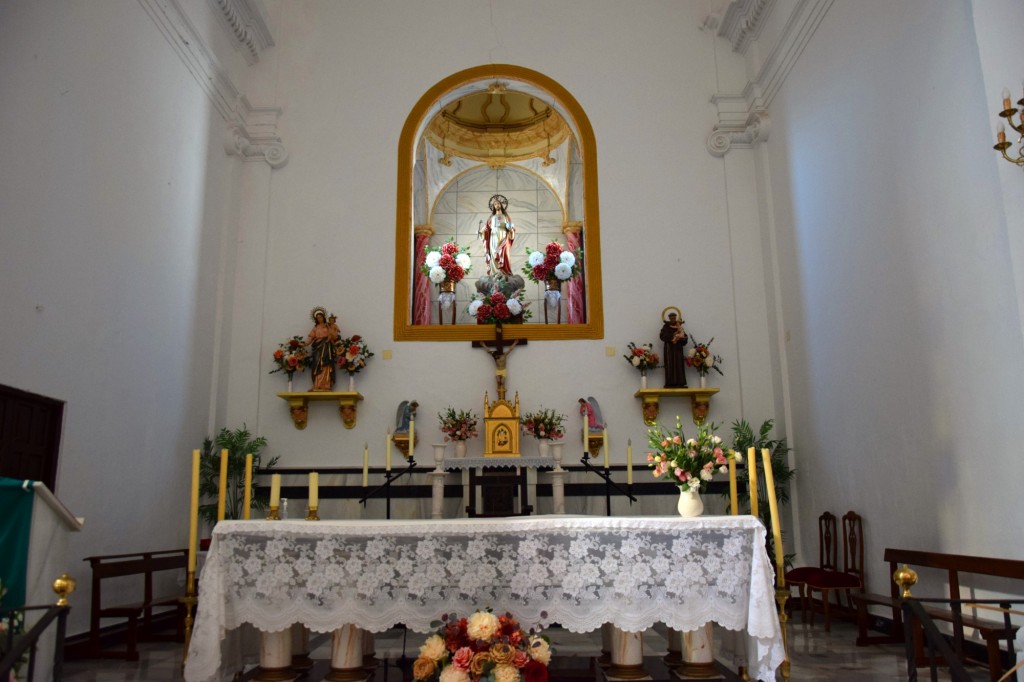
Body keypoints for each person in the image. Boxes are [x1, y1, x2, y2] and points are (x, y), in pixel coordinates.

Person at [479, 194, 516, 277]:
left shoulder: (506, 217)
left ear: (501, 205)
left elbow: (511, 229)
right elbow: (486, 230)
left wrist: (511, 230)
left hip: (503, 236)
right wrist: (481, 233)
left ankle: (505, 273)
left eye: (498, 203)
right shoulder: (491, 218)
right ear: (493, 206)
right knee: (493, 254)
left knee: (504, 253)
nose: (497, 205)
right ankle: (494, 274)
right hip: (493, 237)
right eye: (495, 204)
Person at [306, 307, 339, 391]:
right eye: (317, 318)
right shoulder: (315, 328)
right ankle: (317, 385)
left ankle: (326, 384)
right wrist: (304, 343)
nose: (319, 319)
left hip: (326, 346)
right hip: (317, 347)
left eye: (320, 317)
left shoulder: (328, 326)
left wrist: (331, 330)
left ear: (323, 317)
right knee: (317, 363)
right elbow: (310, 337)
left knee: (326, 363)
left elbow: (334, 336)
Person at [660, 308, 688, 388]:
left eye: (674, 318)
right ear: (669, 318)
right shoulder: (666, 326)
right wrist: (673, 335)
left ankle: (680, 381)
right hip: (669, 349)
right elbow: (662, 336)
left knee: (679, 364)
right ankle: (670, 382)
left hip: (678, 349)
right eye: (671, 318)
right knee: (670, 364)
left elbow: (685, 337)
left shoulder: (679, 326)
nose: (673, 319)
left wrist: (683, 338)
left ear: (676, 318)